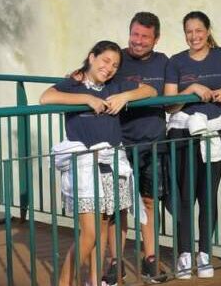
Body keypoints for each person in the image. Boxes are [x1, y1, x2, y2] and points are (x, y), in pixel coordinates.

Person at [41, 40, 156, 286]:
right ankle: (64, 282)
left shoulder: (114, 85)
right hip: (85, 165)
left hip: (111, 161)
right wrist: (86, 99)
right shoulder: (73, 83)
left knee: (104, 224)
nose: (110, 68)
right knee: (91, 233)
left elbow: (150, 91)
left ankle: (93, 281)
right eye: (105, 61)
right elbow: (46, 97)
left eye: (115, 65)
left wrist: (125, 96)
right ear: (92, 57)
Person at [164, 11, 221, 279]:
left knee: (207, 194)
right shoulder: (175, 62)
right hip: (183, 133)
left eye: (198, 31)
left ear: (207, 31)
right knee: (184, 197)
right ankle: (183, 254)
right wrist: (191, 88)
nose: (194, 36)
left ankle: (204, 253)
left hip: (215, 132)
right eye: (189, 31)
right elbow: (169, 104)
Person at [103, 13, 169, 285]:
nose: (138, 41)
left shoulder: (164, 62)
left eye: (145, 36)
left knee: (149, 202)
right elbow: (93, 74)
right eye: (135, 34)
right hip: (120, 143)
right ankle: (114, 263)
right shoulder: (116, 58)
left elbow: (158, 91)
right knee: (117, 207)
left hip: (153, 142)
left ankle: (149, 258)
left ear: (156, 38)